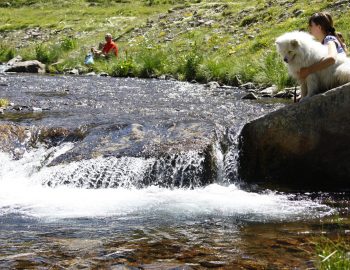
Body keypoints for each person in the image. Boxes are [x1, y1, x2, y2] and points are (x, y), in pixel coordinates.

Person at [298, 12, 347, 80]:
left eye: (311, 25)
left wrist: (308, 70)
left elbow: (332, 59)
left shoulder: (329, 39)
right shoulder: (325, 41)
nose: (309, 28)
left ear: (319, 27)